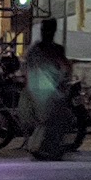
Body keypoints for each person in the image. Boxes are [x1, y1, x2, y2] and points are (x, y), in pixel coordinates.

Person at [21, 19, 74, 160]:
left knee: (51, 119)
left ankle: (44, 147)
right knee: (54, 117)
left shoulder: (39, 49)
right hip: (45, 90)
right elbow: (65, 67)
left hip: (39, 89)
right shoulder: (48, 49)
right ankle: (44, 147)